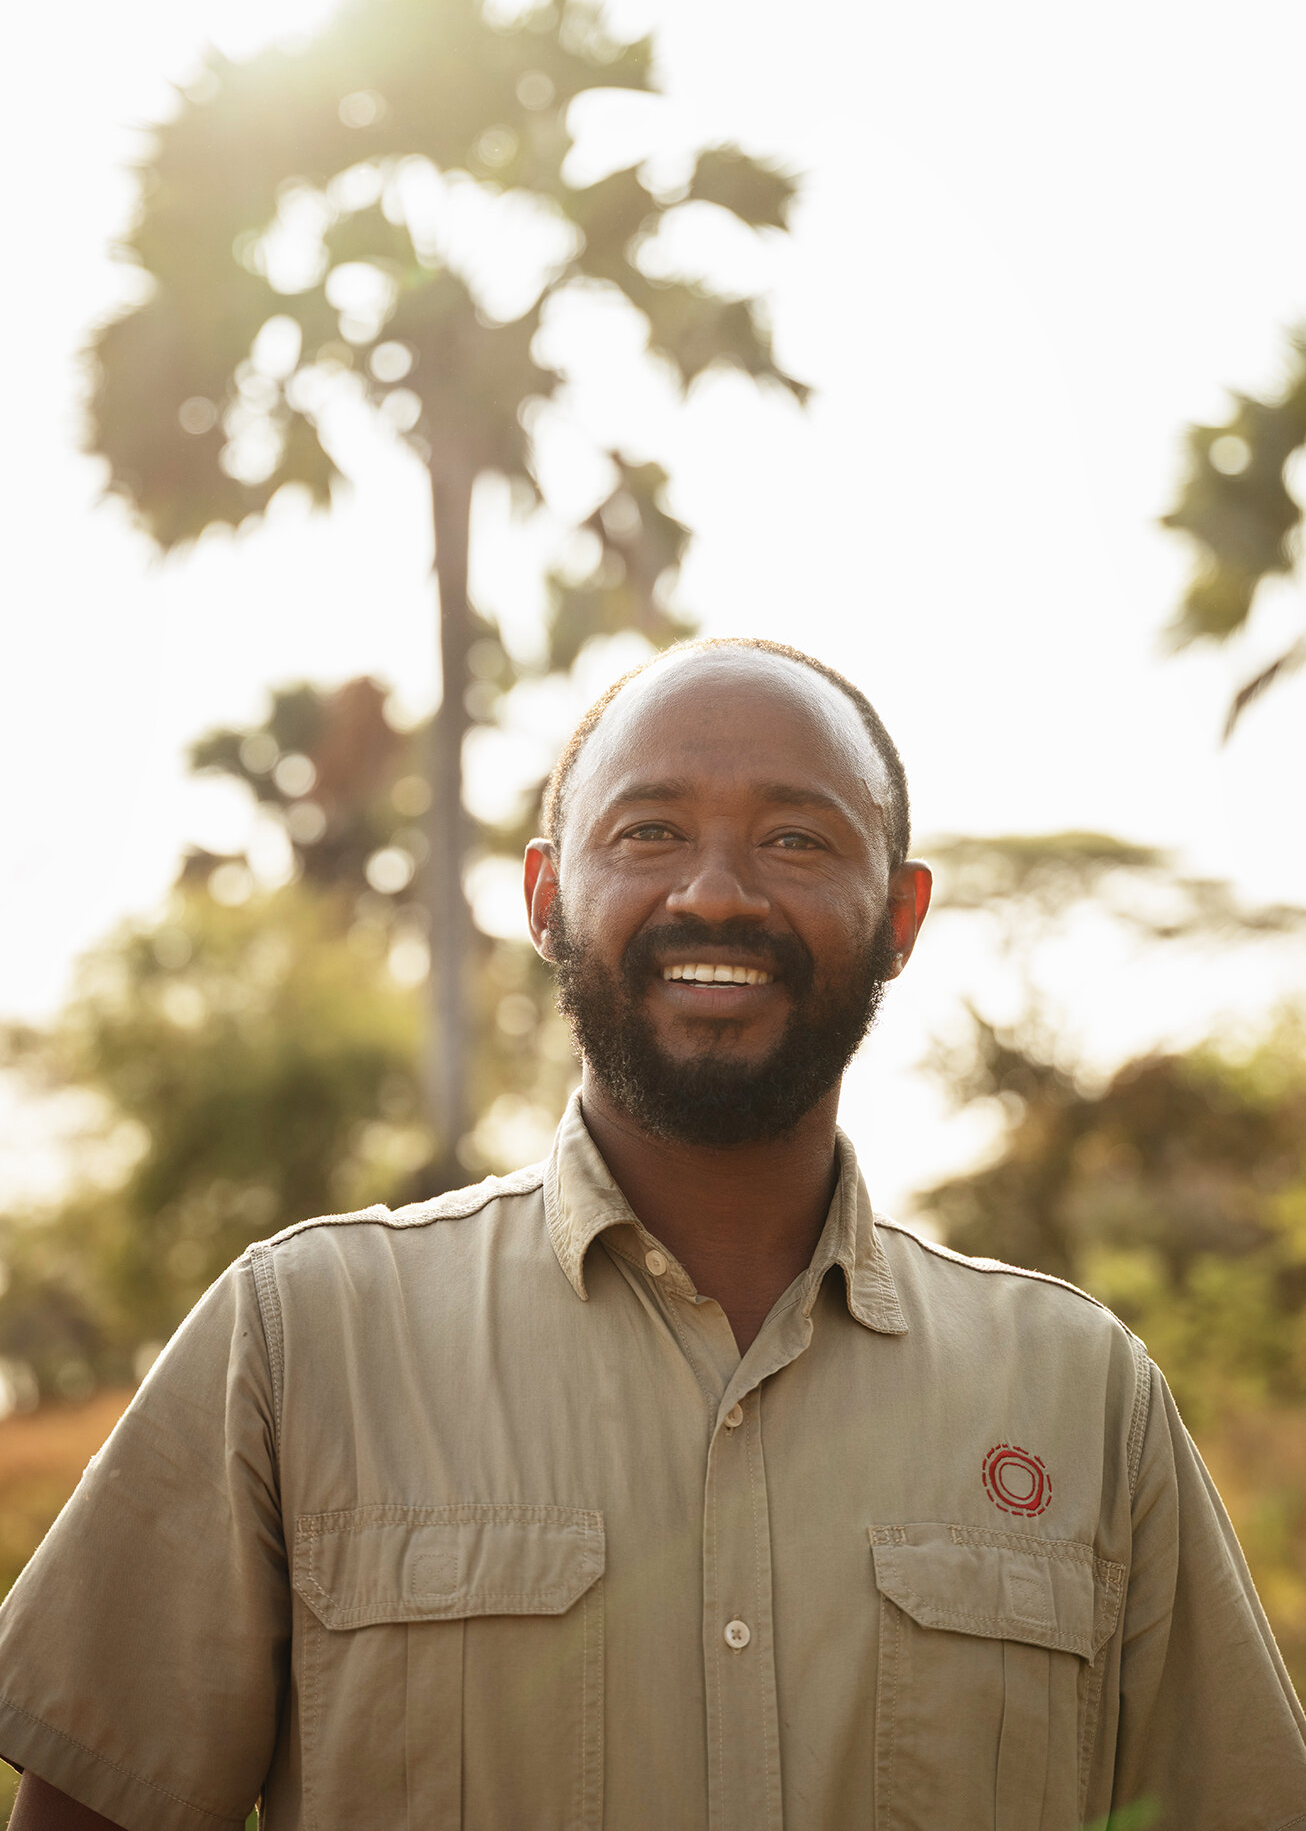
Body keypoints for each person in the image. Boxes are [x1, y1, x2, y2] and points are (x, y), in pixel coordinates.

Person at [1, 637, 1303, 1831]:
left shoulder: (1080, 1396)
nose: (717, 892)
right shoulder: (299, 1342)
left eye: (797, 839)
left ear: (899, 918)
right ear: (546, 894)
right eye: (649, 830)